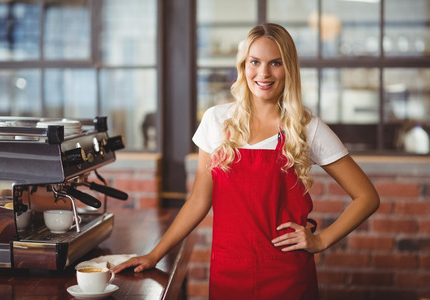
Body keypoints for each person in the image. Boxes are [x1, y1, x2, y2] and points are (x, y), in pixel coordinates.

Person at [112, 23, 380, 299]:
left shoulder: (307, 128)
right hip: (228, 271)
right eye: (255, 62)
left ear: (289, 68)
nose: (264, 73)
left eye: (275, 63)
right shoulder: (216, 120)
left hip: (287, 275)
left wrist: (321, 240)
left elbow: (367, 196)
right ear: (244, 66)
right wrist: (154, 255)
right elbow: (199, 201)